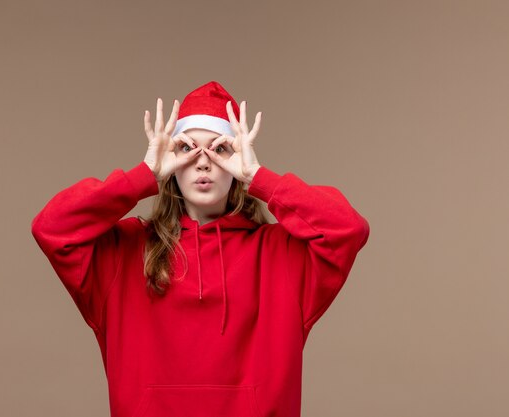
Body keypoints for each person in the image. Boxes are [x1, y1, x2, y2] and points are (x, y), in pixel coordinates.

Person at [31, 81, 370, 417]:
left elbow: (347, 228)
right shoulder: (124, 252)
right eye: (186, 148)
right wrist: (143, 175)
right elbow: (52, 227)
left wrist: (258, 177)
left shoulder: (281, 255)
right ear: (170, 160)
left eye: (220, 149)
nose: (203, 162)